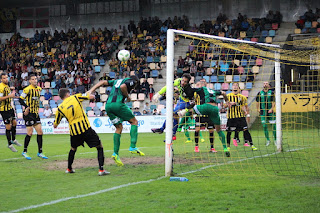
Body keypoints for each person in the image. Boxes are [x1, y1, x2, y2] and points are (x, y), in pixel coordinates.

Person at [88, 75, 144, 166]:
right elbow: (123, 87)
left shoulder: (116, 81)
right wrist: (127, 96)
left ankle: (115, 154)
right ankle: (133, 146)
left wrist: (91, 90)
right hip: (118, 104)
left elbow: (102, 82)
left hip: (108, 106)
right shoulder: (132, 80)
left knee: (119, 128)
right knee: (134, 122)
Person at [53, 88, 110, 176]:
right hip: (85, 128)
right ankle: (101, 170)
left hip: (74, 132)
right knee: (99, 146)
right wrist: (90, 95)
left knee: (73, 149)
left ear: (61, 97)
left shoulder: (60, 108)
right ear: (68, 94)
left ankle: (69, 168)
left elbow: (55, 124)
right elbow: (90, 96)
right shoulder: (76, 97)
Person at [177, 86, 230, 157]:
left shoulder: (202, 89)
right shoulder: (213, 91)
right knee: (219, 130)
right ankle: (225, 148)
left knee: (190, 111)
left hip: (205, 107)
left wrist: (181, 89)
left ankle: (180, 125)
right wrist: (227, 101)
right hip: (214, 109)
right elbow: (223, 93)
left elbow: (191, 89)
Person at [151, 74, 194, 140]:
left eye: (185, 81)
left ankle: (164, 130)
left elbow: (193, 103)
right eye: (183, 80)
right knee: (174, 116)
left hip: (186, 103)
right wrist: (158, 94)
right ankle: (171, 134)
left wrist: (186, 110)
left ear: (188, 82)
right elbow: (167, 86)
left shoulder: (189, 90)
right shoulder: (178, 81)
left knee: (173, 114)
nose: (183, 82)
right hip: (180, 100)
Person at [19, 74, 48, 160]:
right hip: (29, 114)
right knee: (30, 133)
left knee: (40, 132)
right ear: (29, 81)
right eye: (33, 79)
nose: (35, 80)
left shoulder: (39, 89)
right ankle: (24, 151)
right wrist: (26, 107)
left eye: (36, 79)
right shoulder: (27, 89)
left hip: (36, 114)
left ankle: (40, 152)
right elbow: (20, 99)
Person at [226, 83, 257, 151]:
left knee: (246, 130)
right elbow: (224, 106)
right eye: (234, 85)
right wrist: (229, 103)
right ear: (231, 88)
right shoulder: (228, 96)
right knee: (229, 132)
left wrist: (245, 111)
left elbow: (242, 106)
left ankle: (252, 145)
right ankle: (228, 147)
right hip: (231, 117)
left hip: (240, 117)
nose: (235, 87)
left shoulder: (242, 97)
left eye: (236, 86)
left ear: (238, 88)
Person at [0, 73, 21, 152]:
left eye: (6, 78)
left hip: (10, 108)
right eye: (4, 78)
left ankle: (14, 139)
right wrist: (10, 96)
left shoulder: (7, 86)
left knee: (14, 123)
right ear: (1, 79)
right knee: (8, 127)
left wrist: (12, 93)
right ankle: (9, 144)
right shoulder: (1, 87)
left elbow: (9, 95)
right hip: (4, 109)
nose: (6, 79)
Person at [256, 81, 276, 146]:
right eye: (264, 83)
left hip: (270, 112)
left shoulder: (271, 93)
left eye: (266, 83)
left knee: (274, 126)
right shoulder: (260, 93)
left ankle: (276, 140)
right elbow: (257, 101)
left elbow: (274, 101)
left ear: (268, 85)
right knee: (264, 126)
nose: (265, 84)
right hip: (263, 112)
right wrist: (258, 109)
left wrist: (272, 109)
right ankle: (268, 140)